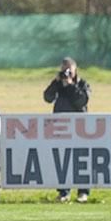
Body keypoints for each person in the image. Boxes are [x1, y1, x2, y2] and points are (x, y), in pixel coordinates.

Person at [44, 57, 91, 203]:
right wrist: (56, 82)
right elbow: (47, 97)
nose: (67, 73)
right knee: (62, 159)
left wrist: (70, 85)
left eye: (69, 69)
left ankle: (83, 192)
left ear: (76, 69)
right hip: (61, 127)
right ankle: (63, 192)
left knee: (81, 159)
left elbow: (81, 101)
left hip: (80, 127)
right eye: (64, 69)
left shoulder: (82, 84)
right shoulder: (58, 84)